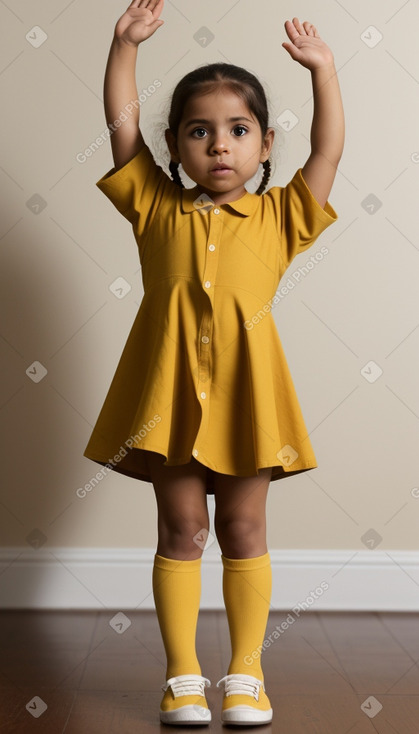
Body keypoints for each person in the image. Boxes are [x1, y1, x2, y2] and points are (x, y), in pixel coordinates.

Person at [83, 0, 344, 726]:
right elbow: (120, 127)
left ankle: (246, 676)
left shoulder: (281, 216)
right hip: (169, 401)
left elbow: (326, 155)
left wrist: (324, 72)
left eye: (237, 132)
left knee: (244, 531)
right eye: (200, 132)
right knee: (179, 533)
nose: (219, 148)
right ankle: (181, 677)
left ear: (263, 145)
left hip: (247, 400)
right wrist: (123, 46)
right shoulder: (154, 207)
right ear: (175, 145)